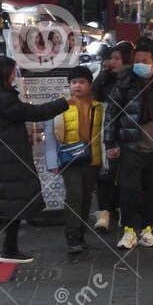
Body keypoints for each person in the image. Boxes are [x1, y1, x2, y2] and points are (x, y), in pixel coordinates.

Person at [0, 55, 68, 264]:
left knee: (3, 200)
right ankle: (10, 250)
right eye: (13, 71)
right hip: (9, 155)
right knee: (16, 200)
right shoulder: (2, 98)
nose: (15, 75)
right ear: (4, 72)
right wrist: (63, 103)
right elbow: (33, 112)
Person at [104, 39, 153, 249]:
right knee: (128, 191)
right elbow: (111, 114)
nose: (140, 64)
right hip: (130, 147)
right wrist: (109, 142)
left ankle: (148, 230)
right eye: (137, 60)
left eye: (145, 61)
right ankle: (129, 231)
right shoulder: (124, 82)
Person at [50, 66, 103, 257]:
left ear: (89, 85)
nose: (77, 86)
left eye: (81, 82)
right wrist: (52, 162)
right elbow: (51, 135)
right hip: (69, 159)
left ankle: (81, 236)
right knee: (75, 196)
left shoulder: (99, 106)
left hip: (92, 159)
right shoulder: (61, 105)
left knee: (87, 198)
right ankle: (72, 237)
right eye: (73, 82)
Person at [91, 42, 130, 231]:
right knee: (105, 171)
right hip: (105, 130)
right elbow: (95, 96)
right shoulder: (105, 79)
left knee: (124, 173)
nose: (112, 62)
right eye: (111, 58)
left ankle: (124, 211)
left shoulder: (132, 79)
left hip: (127, 131)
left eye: (117, 59)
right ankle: (104, 212)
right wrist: (103, 74)